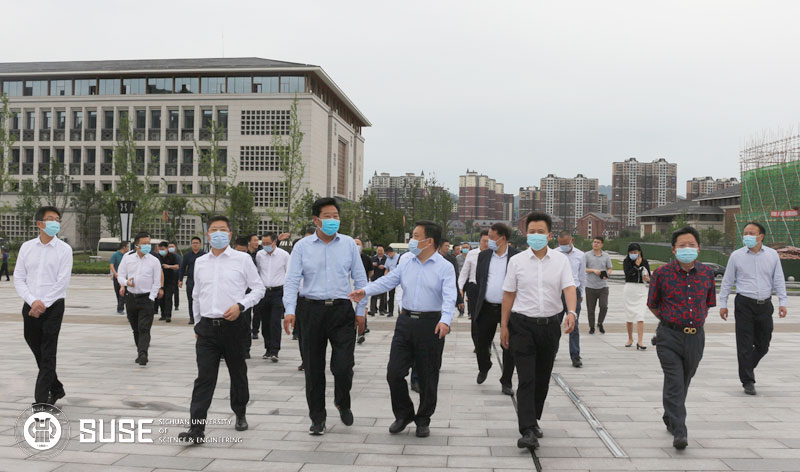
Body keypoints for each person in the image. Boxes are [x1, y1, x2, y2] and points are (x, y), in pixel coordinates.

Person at [349, 220, 455, 438]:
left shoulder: (445, 267)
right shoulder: (406, 261)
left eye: (416, 236)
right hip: (405, 322)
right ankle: (404, 414)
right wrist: (365, 291)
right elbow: (389, 280)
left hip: (431, 324)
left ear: (429, 241)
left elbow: (449, 297)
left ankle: (423, 419)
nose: (411, 241)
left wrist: (445, 321)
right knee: (394, 372)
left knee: (427, 376)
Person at [282, 197, 368, 436]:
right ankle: (317, 418)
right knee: (313, 368)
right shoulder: (302, 247)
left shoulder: (349, 244)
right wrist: (290, 310)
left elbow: (360, 279)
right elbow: (291, 280)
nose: (332, 220)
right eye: (327, 216)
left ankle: (342, 401)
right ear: (316, 220)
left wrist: (361, 310)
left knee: (344, 366)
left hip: (342, 310)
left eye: (336, 216)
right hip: (311, 311)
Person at [177, 215, 265, 445]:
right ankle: (196, 429)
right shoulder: (200, 262)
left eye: (223, 229)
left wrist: (241, 306)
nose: (218, 233)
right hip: (207, 328)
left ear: (230, 234)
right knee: (204, 378)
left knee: (238, 373)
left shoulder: (242, 259)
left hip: (234, 326)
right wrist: (197, 323)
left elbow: (258, 289)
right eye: (214, 229)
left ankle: (240, 412)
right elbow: (197, 294)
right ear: (207, 234)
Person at [500, 212, 577, 450]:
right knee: (526, 378)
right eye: (531, 231)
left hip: (550, 326)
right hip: (522, 325)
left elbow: (569, 288)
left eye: (540, 232)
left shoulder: (560, 261)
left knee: (542, 378)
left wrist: (571, 313)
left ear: (549, 235)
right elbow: (509, 294)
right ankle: (527, 429)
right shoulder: (516, 261)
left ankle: (533, 420)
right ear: (525, 234)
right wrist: (504, 326)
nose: (536, 235)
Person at [647, 226, 716, 450]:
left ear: (699, 248)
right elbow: (652, 304)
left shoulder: (707, 273)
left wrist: (695, 321)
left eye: (691, 245)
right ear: (674, 250)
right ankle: (680, 431)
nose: (687, 249)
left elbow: (708, 303)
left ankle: (670, 415)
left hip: (696, 337)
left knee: (685, 380)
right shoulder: (662, 273)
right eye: (682, 245)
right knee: (675, 381)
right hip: (669, 336)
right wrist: (670, 321)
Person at [719, 222, 788, 396]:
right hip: (744, 304)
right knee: (744, 343)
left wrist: (783, 301)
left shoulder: (772, 255)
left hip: (765, 304)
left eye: (751, 233)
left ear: (761, 236)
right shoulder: (736, 256)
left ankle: (746, 366)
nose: (747, 236)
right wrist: (723, 304)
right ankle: (748, 381)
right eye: (745, 233)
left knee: (763, 344)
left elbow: (778, 279)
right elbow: (727, 281)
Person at [14, 206, 73, 406]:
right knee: (35, 345)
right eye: (50, 218)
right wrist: (33, 301)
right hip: (30, 305)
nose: (55, 222)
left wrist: (43, 304)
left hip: (54, 306)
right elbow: (19, 278)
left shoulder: (64, 250)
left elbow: (62, 282)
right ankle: (56, 388)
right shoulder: (27, 247)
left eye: (57, 219)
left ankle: (41, 401)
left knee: (48, 351)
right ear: (39, 223)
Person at [473, 223, 518, 394]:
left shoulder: (516, 257)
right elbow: (480, 279)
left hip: (509, 309)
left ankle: (506, 381)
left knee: (508, 345)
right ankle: (484, 366)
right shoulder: (483, 256)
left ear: (503, 238)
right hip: (486, 307)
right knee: (481, 342)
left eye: (492, 238)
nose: (488, 241)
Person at [116, 232, 163, 366]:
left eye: (149, 243)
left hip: (146, 299)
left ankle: (143, 354)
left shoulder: (154, 261)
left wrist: (151, 297)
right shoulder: (127, 258)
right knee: (135, 328)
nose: (147, 245)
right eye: (144, 243)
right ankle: (140, 351)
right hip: (131, 297)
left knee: (144, 328)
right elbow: (120, 276)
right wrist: (126, 283)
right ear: (137, 245)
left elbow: (157, 281)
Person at [255, 231, 290, 362]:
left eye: (268, 243)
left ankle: (275, 350)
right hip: (264, 292)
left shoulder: (284, 255)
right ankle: (268, 348)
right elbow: (258, 272)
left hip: (278, 292)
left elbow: (288, 273)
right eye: (263, 243)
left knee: (275, 321)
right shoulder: (259, 255)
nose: (265, 245)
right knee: (265, 322)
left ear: (275, 242)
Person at [557, 231, 587, 368]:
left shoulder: (580, 255)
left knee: (573, 324)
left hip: (574, 291)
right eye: (560, 244)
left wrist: (581, 293)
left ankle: (575, 356)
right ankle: (551, 352)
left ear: (572, 240)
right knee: (554, 325)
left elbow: (582, 276)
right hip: (558, 292)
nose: (562, 246)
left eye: (565, 243)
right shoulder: (555, 254)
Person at [623, 243, 651, 350]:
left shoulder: (645, 262)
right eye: (631, 252)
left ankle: (640, 341)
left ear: (639, 252)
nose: (633, 254)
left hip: (641, 290)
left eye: (635, 252)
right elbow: (628, 274)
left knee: (640, 315)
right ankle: (630, 338)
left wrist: (648, 279)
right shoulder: (626, 261)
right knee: (629, 315)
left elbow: (650, 277)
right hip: (630, 289)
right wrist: (636, 266)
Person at [585, 236, 612, 334]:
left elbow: (610, 268)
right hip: (590, 286)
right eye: (594, 242)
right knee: (590, 309)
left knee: (604, 306)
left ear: (602, 244)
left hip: (603, 286)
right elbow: (582, 268)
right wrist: (593, 270)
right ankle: (591, 327)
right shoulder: (587, 255)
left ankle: (600, 323)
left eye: (598, 242)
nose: (595, 244)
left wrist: (607, 274)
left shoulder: (606, 256)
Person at [459, 231, 489, 319]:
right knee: (475, 316)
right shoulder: (472, 254)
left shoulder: (493, 254)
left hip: (488, 288)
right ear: (480, 241)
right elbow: (464, 272)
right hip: (474, 287)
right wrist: (460, 287)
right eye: (484, 241)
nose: (486, 244)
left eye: (488, 241)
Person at [233, 237, 254, 358]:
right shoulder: (228, 261)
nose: (241, 254)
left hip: (245, 298)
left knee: (245, 324)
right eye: (238, 251)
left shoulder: (249, 260)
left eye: (243, 251)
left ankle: (246, 349)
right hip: (230, 298)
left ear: (247, 249)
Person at [179, 237, 205, 325]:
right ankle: (192, 317)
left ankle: (202, 317)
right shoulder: (187, 255)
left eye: (197, 243)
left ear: (200, 244)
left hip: (202, 281)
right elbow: (182, 268)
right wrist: (180, 279)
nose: (195, 244)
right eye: (193, 243)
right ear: (191, 244)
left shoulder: (204, 255)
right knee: (191, 299)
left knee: (202, 300)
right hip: (190, 281)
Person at [157, 241, 180, 323]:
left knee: (168, 298)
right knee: (161, 298)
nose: (161, 251)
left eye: (163, 249)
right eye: (160, 249)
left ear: (167, 249)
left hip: (170, 281)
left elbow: (177, 266)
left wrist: (169, 266)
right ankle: (163, 314)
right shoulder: (157, 257)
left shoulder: (172, 256)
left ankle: (168, 315)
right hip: (160, 281)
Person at [109, 241, 129, 314]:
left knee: (123, 292)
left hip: (124, 277)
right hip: (117, 277)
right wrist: (115, 273)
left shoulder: (127, 255)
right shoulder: (115, 255)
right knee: (118, 292)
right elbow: (111, 265)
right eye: (127, 246)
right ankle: (120, 306)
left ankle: (120, 308)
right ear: (124, 247)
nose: (128, 248)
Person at [369, 245, 389, 316]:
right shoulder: (373, 258)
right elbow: (369, 267)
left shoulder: (387, 259)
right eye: (378, 251)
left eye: (381, 251)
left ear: (384, 251)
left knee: (383, 295)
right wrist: (372, 265)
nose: (380, 252)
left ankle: (382, 310)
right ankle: (373, 310)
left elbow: (390, 267)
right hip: (375, 278)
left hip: (383, 278)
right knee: (374, 294)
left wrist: (384, 266)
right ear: (376, 251)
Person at [385, 246, 399, 316]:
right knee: (391, 296)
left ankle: (400, 311)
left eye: (387, 254)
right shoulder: (388, 259)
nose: (387, 256)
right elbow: (387, 269)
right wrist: (385, 277)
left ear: (390, 252)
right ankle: (390, 312)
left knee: (400, 296)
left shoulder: (399, 257)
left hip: (399, 280)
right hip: (391, 280)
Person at [169, 242, 182, 311]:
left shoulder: (178, 257)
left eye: (172, 246)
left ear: (175, 248)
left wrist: (180, 278)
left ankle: (176, 305)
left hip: (175, 275)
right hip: (168, 276)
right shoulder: (166, 256)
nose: (171, 248)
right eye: (169, 247)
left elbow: (180, 267)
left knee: (176, 291)